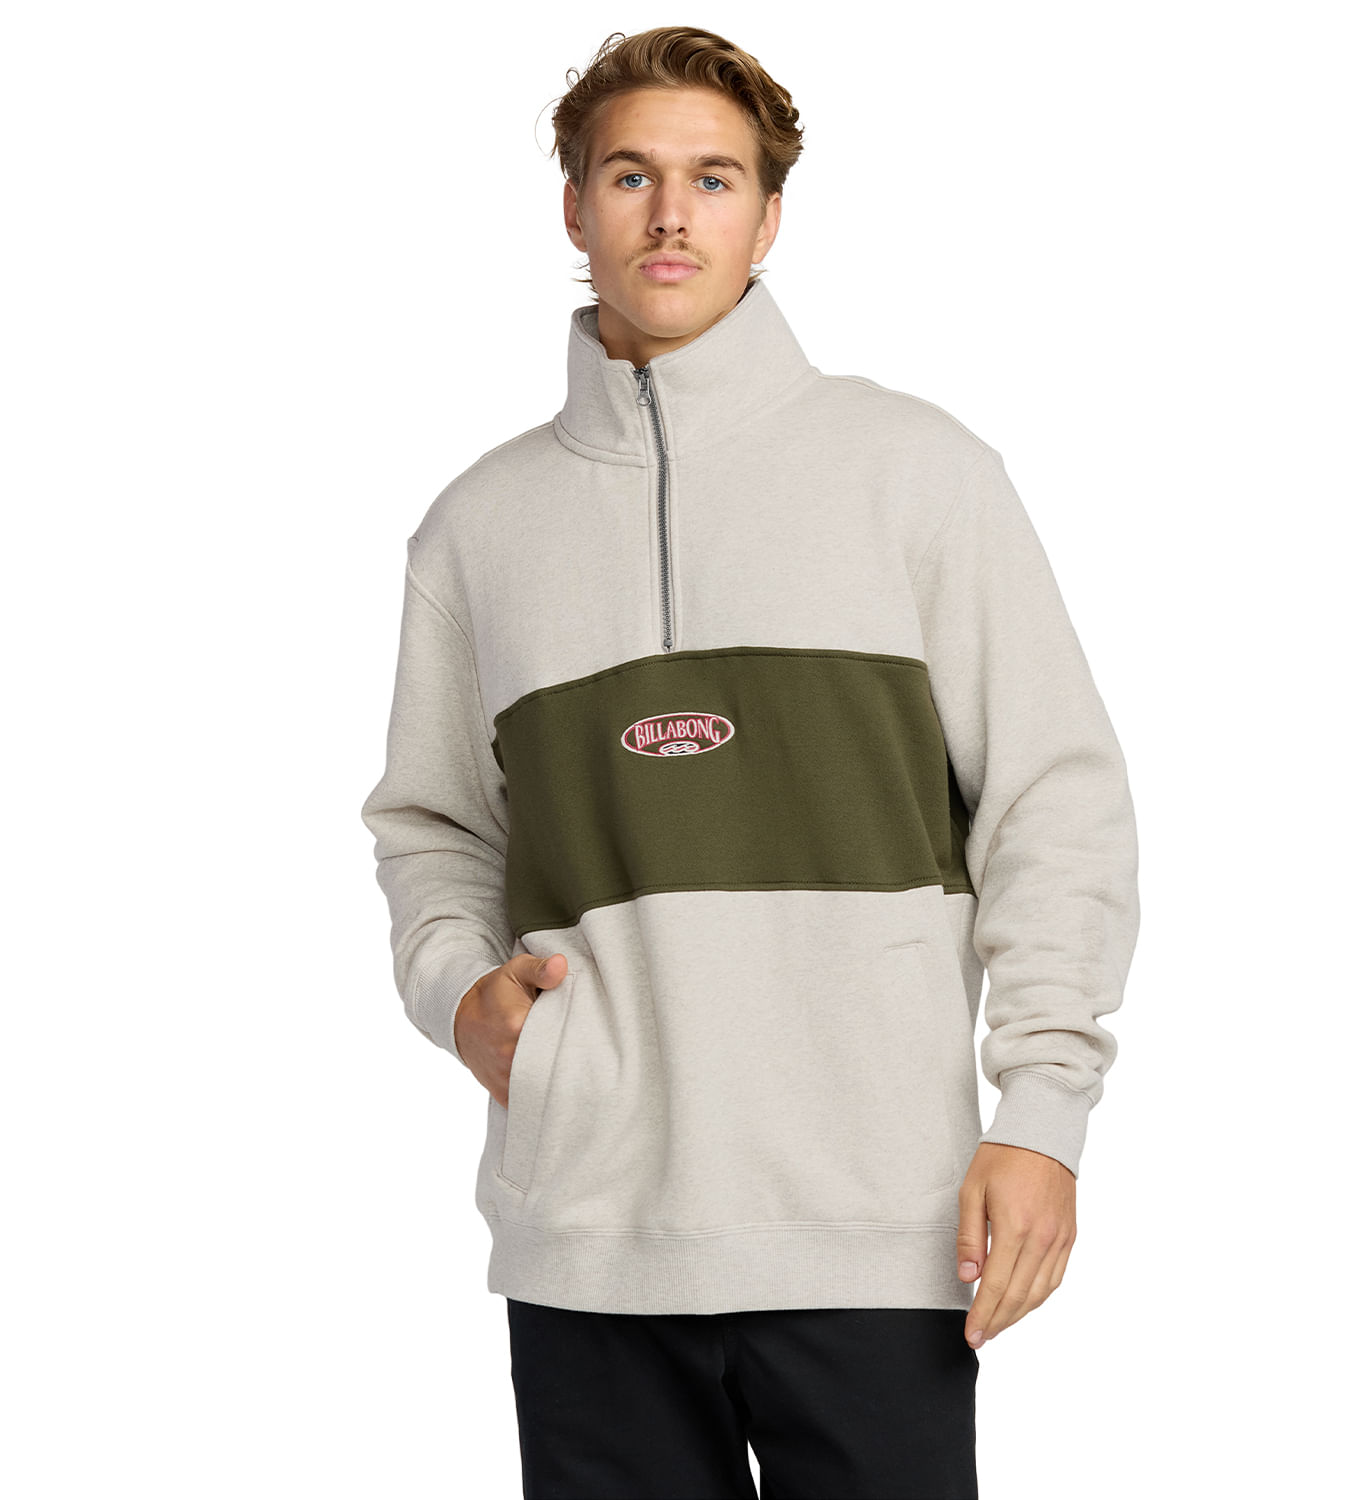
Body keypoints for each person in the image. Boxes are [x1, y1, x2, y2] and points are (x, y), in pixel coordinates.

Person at [360, 25, 1140, 1500]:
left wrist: (1044, 1114)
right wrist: (459, 995)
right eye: (630, 176)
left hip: (878, 1220)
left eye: (714, 179)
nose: (671, 215)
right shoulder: (478, 530)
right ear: (574, 205)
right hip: (586, 1237)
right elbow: (433, 826)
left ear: (769, 216)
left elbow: (1056, 803)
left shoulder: (917, 473)